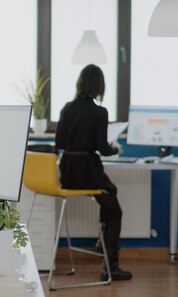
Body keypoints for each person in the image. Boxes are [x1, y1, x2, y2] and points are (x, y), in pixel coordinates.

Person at [55, 64, 132, 281]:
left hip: (68, 173)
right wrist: (115, 148)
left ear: (79, 83)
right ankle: (110, 265)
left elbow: (59, 142)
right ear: (99, 86)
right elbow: (102, 148)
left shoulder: (66, 108)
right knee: (115, 210)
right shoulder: (100, 112)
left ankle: (102, 244)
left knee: (110, 193)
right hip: (88, 172)